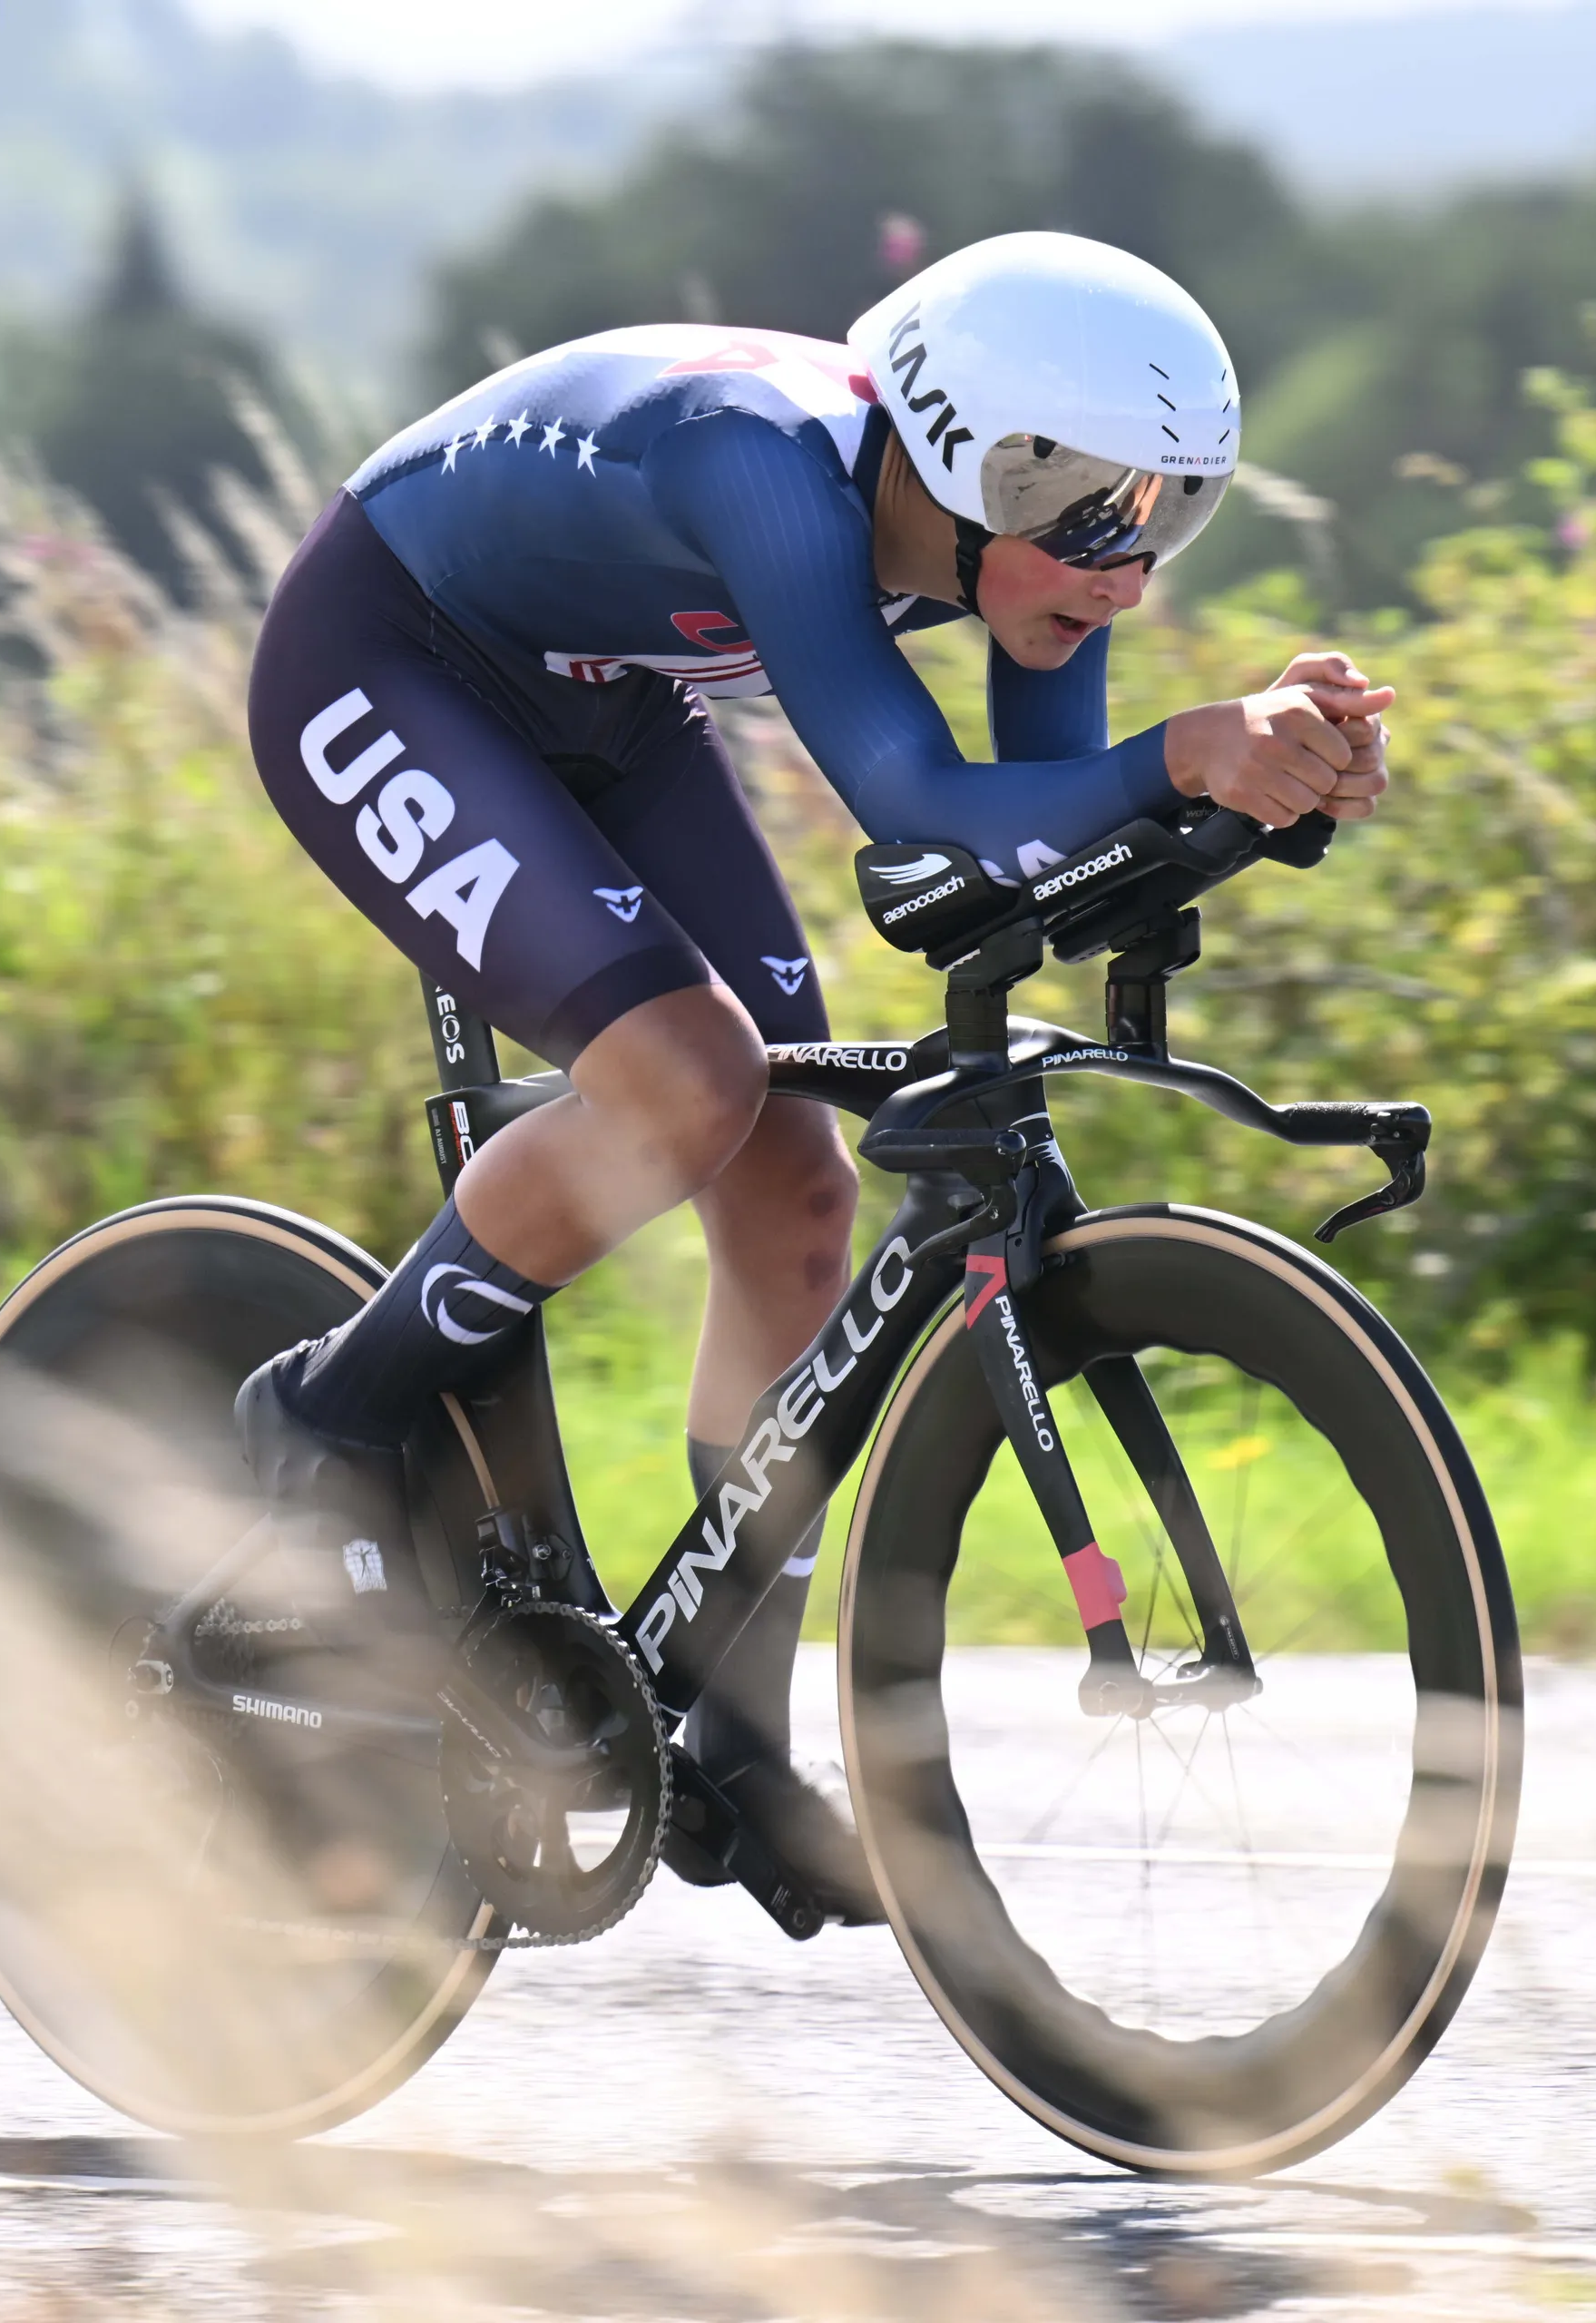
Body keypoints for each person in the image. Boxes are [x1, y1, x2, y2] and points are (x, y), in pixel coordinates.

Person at [235, 230, 1391, 1922]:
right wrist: (1185, 750)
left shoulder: (1022, 550)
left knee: (795, 1186)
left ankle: (730, 1732)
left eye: (1164, 511)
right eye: (1088, 509)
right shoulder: (763, 469)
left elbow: (1042, 842)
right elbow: (924, 800)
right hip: (384, 662)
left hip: (604, 704)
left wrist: (1252, 775)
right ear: (959, 457)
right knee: (688, 1083)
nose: (1124, 565)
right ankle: (323, 1415)